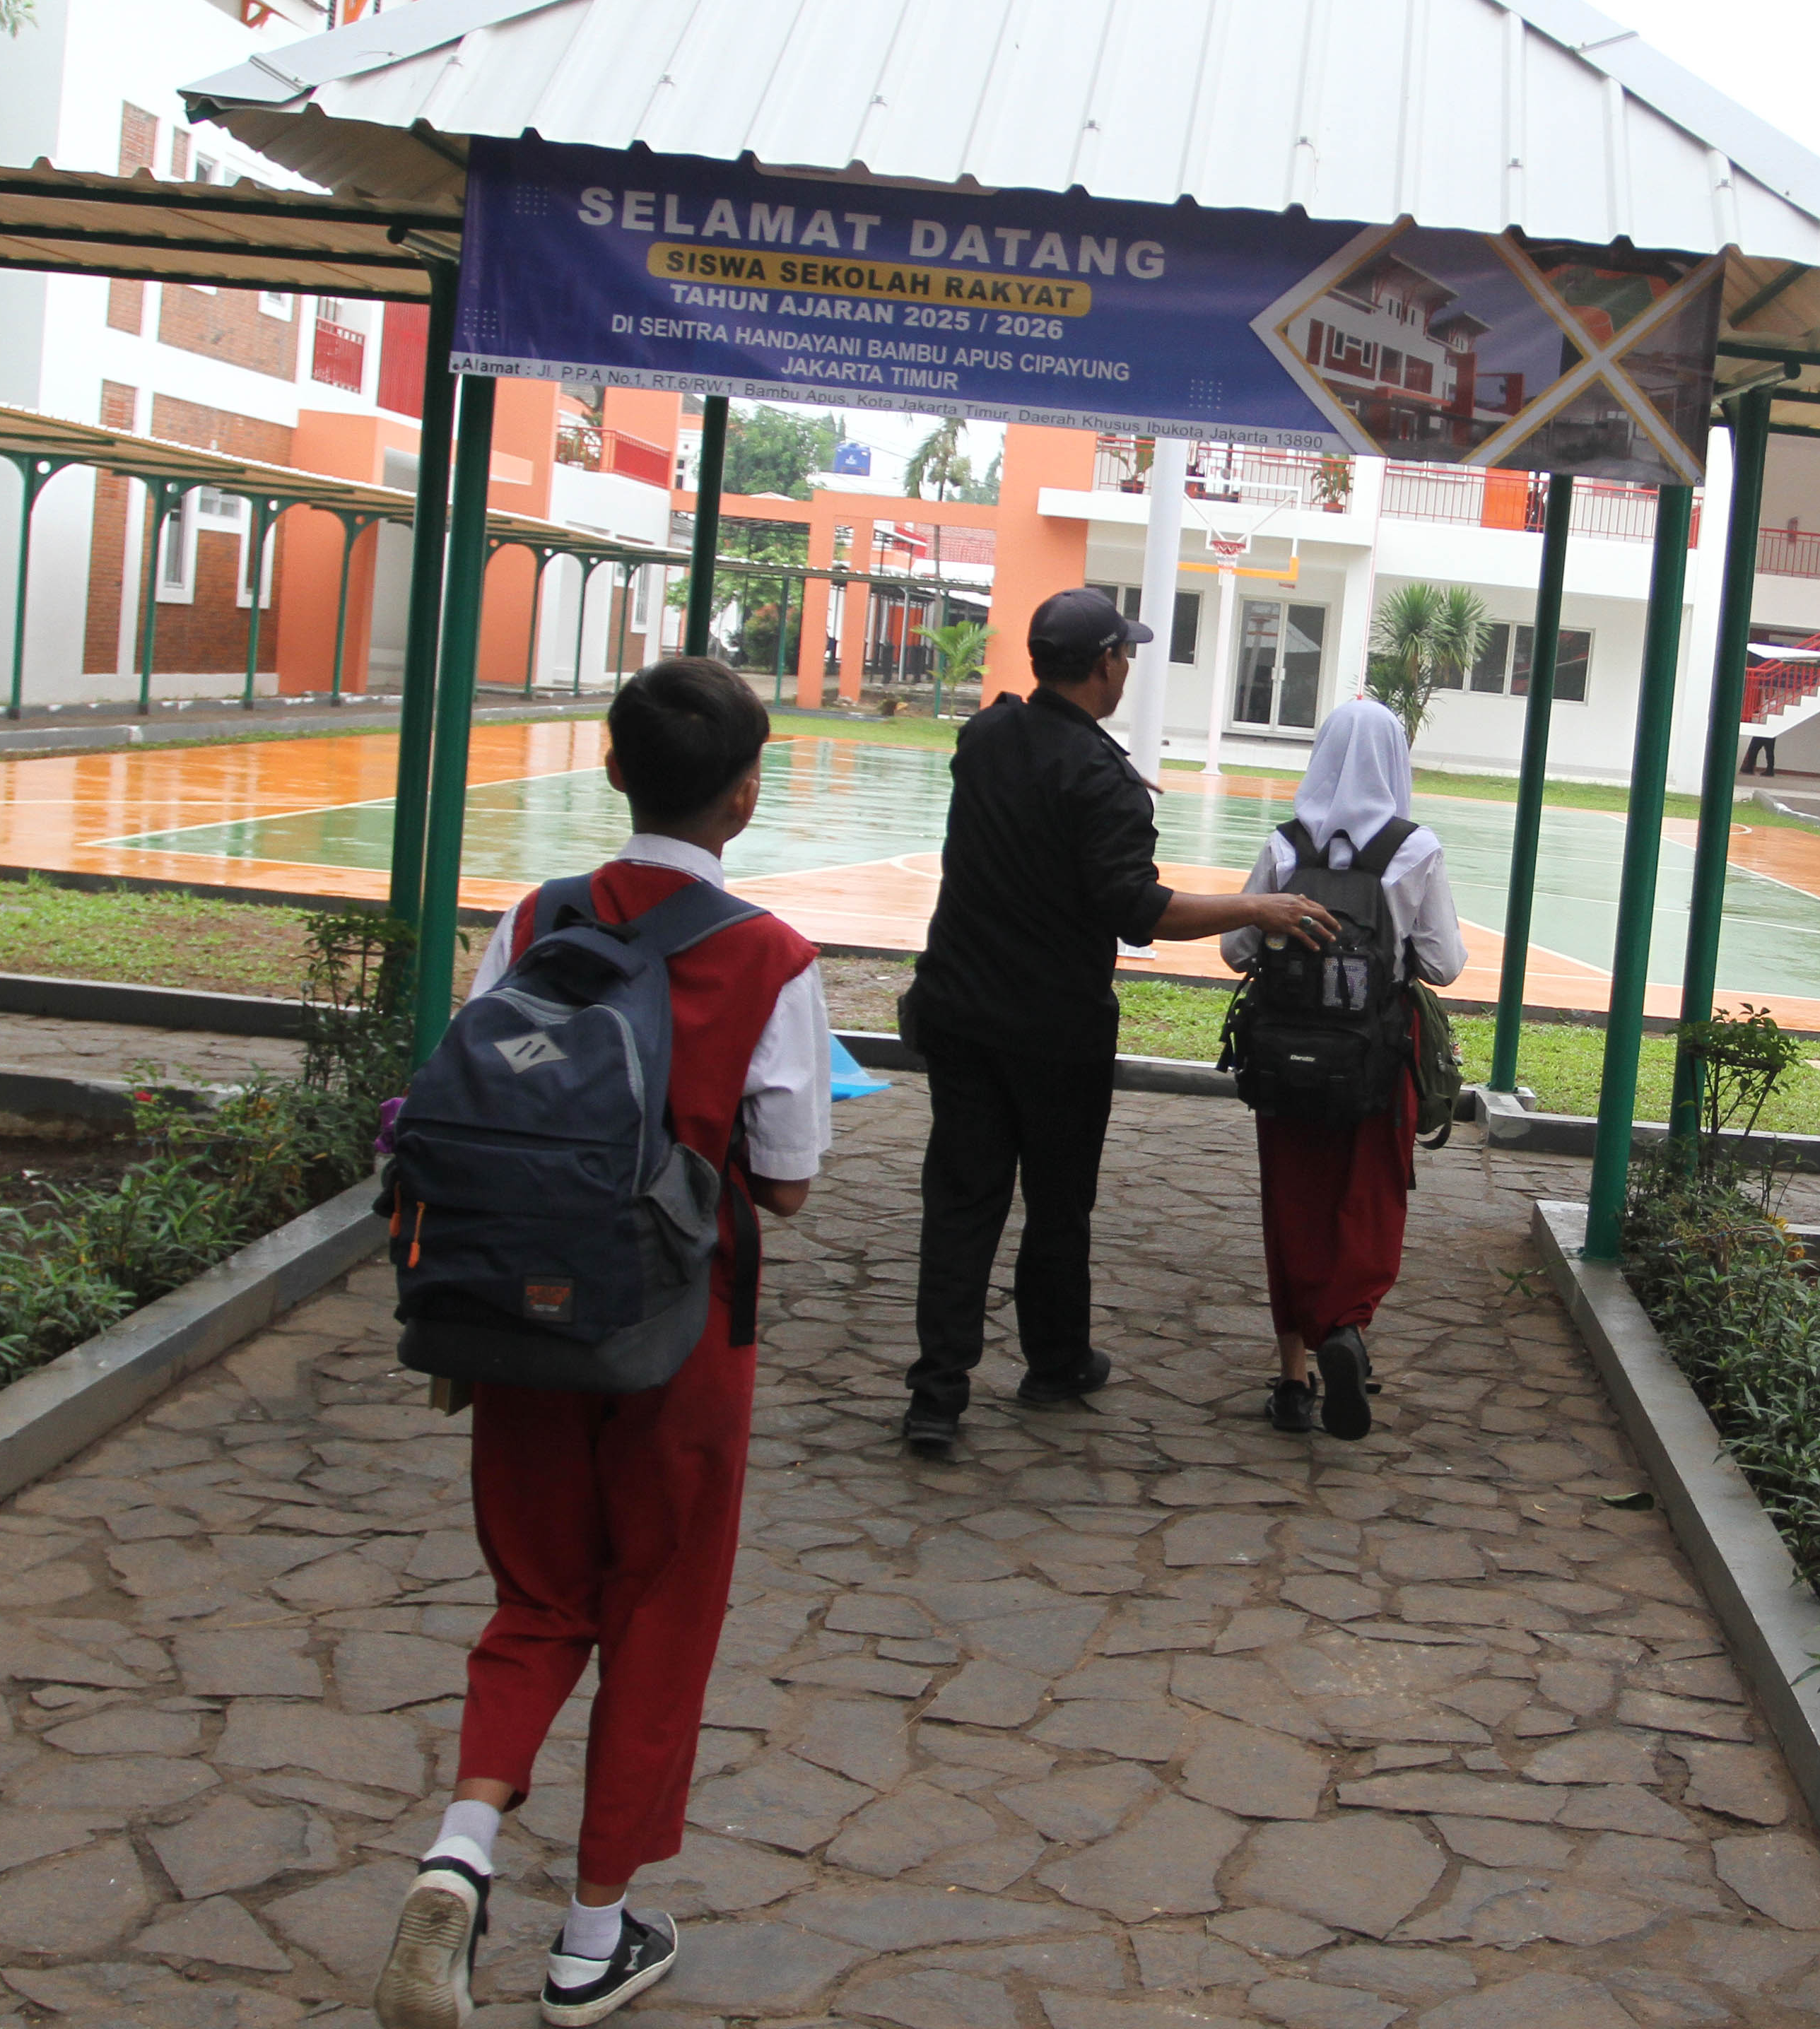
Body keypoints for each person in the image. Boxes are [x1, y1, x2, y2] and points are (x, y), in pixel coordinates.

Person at [377, 658, 832, 2029]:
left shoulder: (532, 919)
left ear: (614, 768)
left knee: (537, 1597)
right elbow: (792, 1178)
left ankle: (461, 1850)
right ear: (746, 795)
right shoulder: (770, 958)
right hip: (682, 1333)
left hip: (519, 1315)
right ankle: (590, 1941)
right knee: (661, 1614)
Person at [900, 589, 1333, 1462]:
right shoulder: (1102, 780)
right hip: (1053, 1030)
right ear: (1105, 665)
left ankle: (937, 1397)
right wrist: (1260, 907)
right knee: (1058, 1202)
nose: (1128, 667)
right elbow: (1138, 911)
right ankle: (1054, 1363)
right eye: (1125, 654)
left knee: (960, 1202)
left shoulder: (984, 739)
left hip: (959, 1011)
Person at [1222, 700, 1466, 1440]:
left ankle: (1294, 1384)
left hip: (1285, 1061)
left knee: (1290, 1204)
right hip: (1373, 1062)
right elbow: (1444, 965)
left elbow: (1237, 949)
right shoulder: (1413, 849)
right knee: (1365, 1201)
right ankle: (1347, 1329)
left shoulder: (1285, 845)